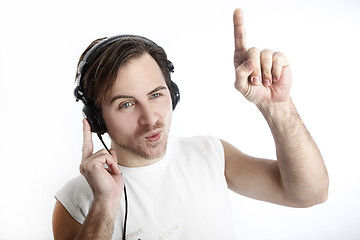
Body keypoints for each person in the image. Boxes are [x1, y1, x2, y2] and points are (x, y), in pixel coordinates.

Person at [52, 8, 329, 240]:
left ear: (173, 93)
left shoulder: (210, 153)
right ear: (97, 119)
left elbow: (310, 194)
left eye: (156, 95)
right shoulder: (75, 202)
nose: (151, 118)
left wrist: (277, 108)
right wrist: (104, 203)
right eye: (126, 104)